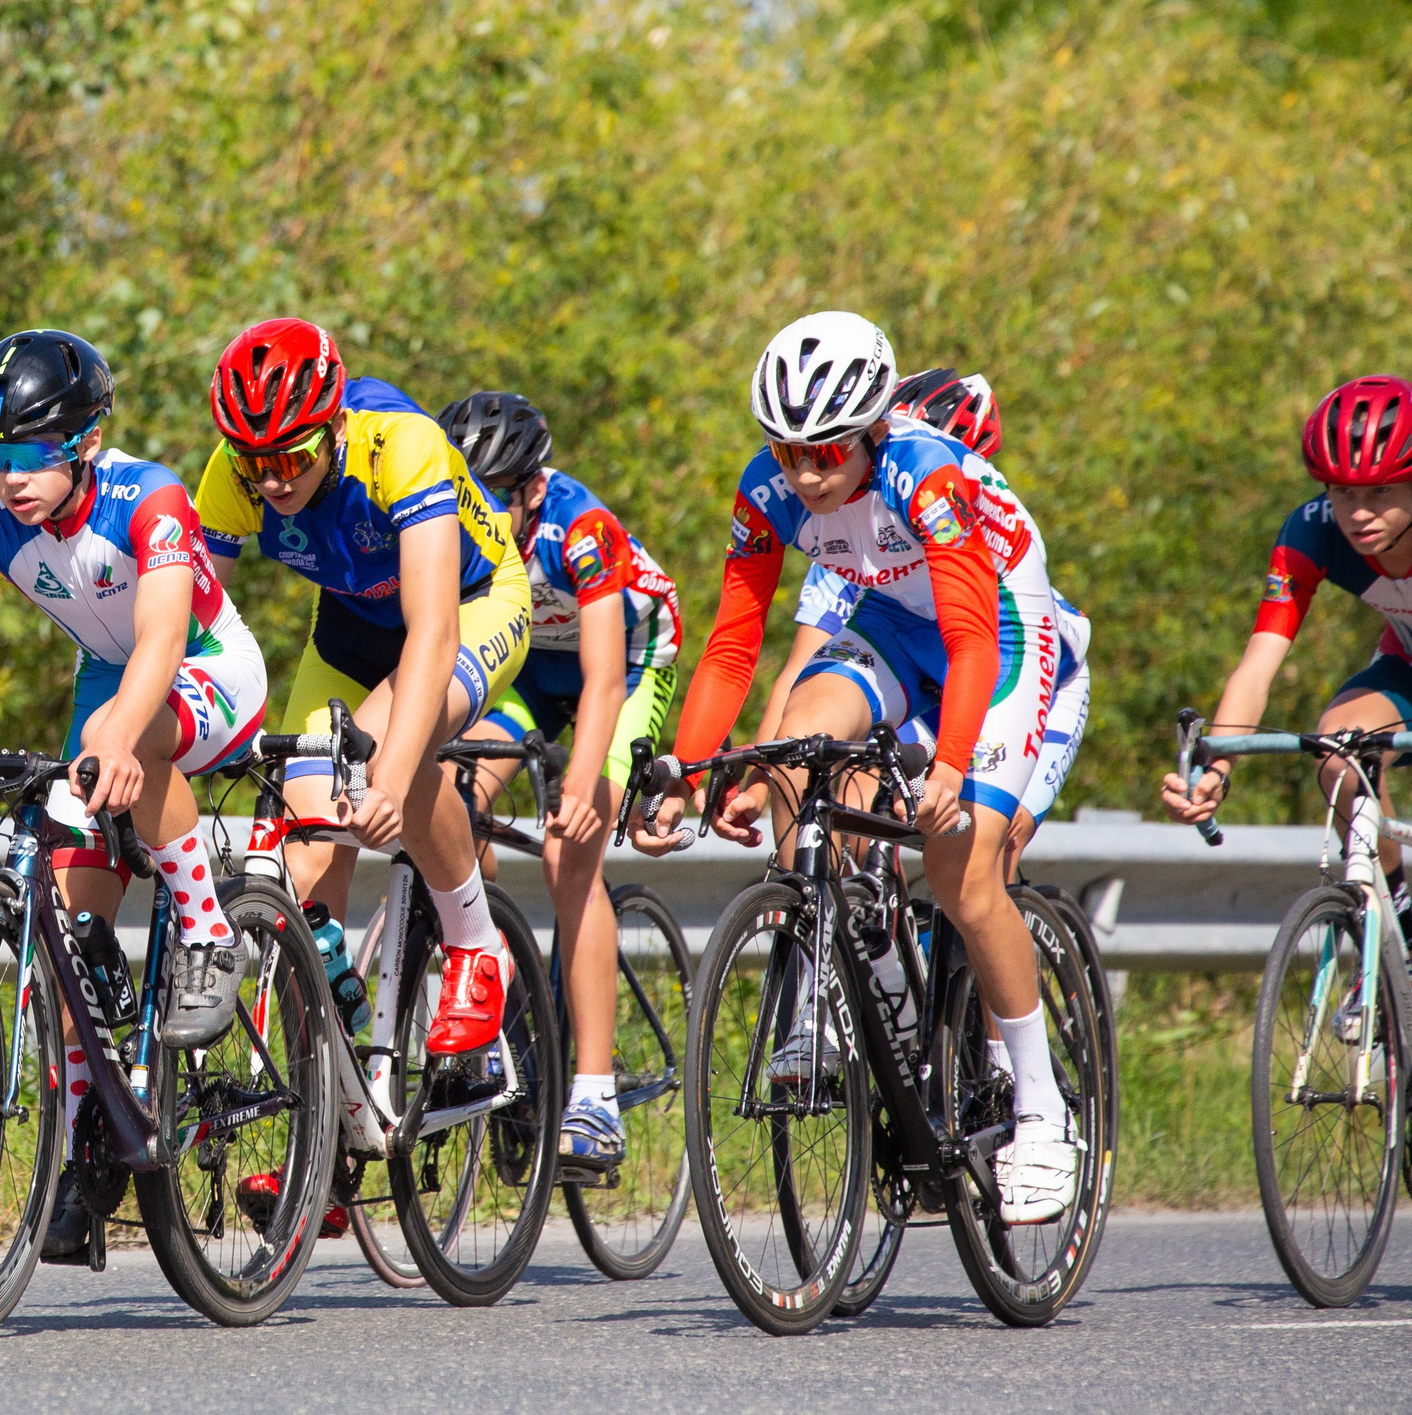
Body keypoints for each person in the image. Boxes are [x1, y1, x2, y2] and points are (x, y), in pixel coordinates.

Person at [635, 311, 1077, 1225]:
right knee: (800, 746)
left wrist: (949, 764)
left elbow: (970, 637)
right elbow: (733, 644)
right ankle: (865, 983)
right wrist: (690, 769)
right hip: (894, 625)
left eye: (826, 452)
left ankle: (1041, 1111)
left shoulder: (928, 473)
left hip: (999, 632)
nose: (805, 474)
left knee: (963, 871)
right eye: (787, 451)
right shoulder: (767, 491)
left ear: (873, 429)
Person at [0, 330, 267, 1260]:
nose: (11, 478)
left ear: (85, 441)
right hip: (105, 677)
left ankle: (207, 933)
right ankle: (85, 1157)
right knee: (67, 931)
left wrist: (119, 733)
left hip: (203, 664)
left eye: (33, 454)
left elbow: (164, 638)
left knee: (133, 739)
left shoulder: (149, 497)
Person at [194, 319, 532, 1061]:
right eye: (255, 463)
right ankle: (334, 1093)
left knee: (381, 757)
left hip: (471, 605)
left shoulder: (401, 445)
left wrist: (393, 779)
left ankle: (476, 945)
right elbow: (190, 625)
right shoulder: (234, 472)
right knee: (302, 837)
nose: (273, 481)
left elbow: (433, 631)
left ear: (336, 426)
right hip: (350, 628)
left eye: (292, 456)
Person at [437, 391, 682, 1168]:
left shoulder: (581, 528)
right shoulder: (454, 529)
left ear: (533, 488)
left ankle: (594, 1098)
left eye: (491, 500)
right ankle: (507, 1005)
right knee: (446, 804)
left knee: (567, 854)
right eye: (463, 498)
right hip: (531, 670)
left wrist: (580, 786)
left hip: (627, 664)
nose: (475, 516)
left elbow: (604, 678)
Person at [757, 369, 1092, 878]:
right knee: (856, 797)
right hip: (922, 672)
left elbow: (987, 650)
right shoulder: (846, 550)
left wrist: (950, 770)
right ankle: (856, 924)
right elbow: (798, 670)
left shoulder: (975, 537)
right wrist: (763, 782)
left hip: (1031, 681)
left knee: (986, 854)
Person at [1162, 375, 1412, 914]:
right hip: (1405, 668)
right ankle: (1399, 916)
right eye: (1341, 491)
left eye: (1380, 491)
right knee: (1338, 752)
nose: (1358, 513)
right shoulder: (1311, 531)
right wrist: (1216, 769)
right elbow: (1257, 668)